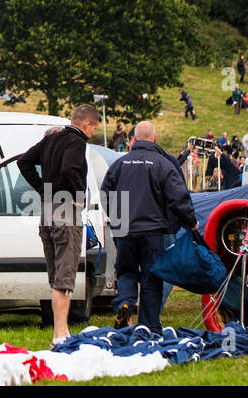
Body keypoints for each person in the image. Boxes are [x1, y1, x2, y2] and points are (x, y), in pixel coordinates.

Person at [100, 121, 198, 331]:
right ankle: (149, 326)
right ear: (155, 139)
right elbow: (178, 198)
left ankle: (125, 304)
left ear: (133, 139)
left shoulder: (119, 164)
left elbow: (105, 194)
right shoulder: (162, 164)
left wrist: (118, 220)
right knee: (151, 279)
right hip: (153, 232)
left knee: (126, 273)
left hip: (125, 230)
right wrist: (190, 221)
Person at [17, 103, 102, 344]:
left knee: (56, 276)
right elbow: (69, 168)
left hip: (47, 212)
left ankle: (60, 330)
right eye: (93, 129)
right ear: (86, 124)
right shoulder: (76, 142)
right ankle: (60, 332)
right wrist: (79, 197)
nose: (92, 133)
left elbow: (24, 162)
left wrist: (43, 189)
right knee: (66, 276)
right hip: (66, 212)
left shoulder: (51, 139)